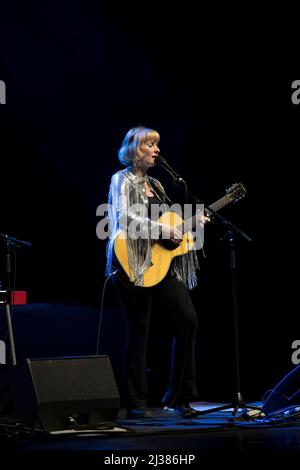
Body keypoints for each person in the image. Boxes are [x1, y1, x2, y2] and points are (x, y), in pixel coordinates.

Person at [105, 126, 209, 418]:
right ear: (136, 148)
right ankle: (136, 404)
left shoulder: (160, 186)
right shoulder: (120, 179)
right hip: (130, 261)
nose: (157, 150)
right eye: (151, 144)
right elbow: (123, 217)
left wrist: (190, 226)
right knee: (140, 328)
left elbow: (168, 227)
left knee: (187, 319)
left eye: (157, 145)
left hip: (161, 264)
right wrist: (163, 228)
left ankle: (180, 396)